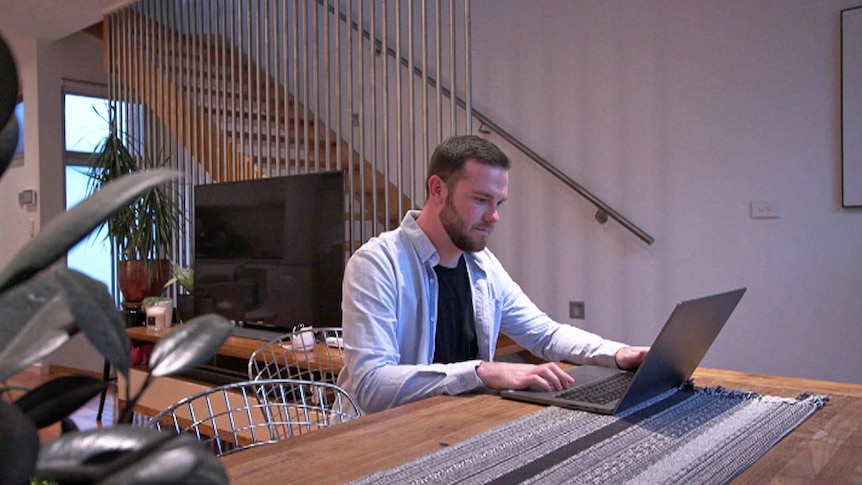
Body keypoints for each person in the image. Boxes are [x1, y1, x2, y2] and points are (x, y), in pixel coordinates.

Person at [338, 135, 649, 413]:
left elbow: (544, 334)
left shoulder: (481, 265)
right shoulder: (376, 264)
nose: (494, 216)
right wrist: (482, 372)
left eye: (499, 202)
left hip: (454, 429)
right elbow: (371, 386)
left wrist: (618, 353)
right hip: (381, 441)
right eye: (481, 199)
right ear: (437, 189)